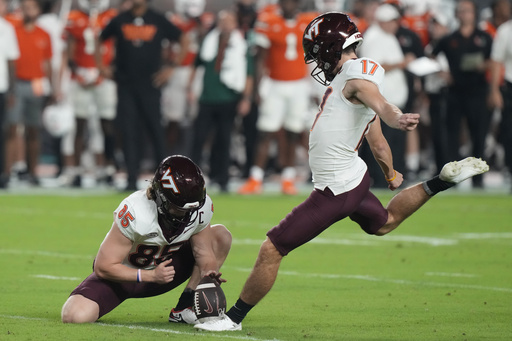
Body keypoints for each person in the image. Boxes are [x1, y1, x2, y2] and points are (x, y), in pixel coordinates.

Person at [194, 12, 489, 332]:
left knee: (272, 248)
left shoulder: (355, 79)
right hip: (355, 178)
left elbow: (381, 107)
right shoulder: (353, 76)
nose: (315, 59)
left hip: (335, 189)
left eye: (317, 50)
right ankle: (440, 181)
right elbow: (375, 140)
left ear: (330, 49)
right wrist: (390, 173)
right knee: (384, 224)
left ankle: (232, 319)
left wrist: (397, 118)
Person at [61, 155, 232, 324]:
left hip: (166, 271)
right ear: (161, 198)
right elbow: (103, 266)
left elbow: (204, 253)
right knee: (74, 316)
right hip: (123, 279)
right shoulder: (136, 212)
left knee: (220, 236)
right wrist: (150, 275)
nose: (188, 214)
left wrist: (209, 272)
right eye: (179, 208)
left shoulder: (197, 208)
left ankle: (185, 307)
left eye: (191, 208)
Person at [96, 0, 186, 191]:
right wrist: (102, 67)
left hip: (151, 84)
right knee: (128, 132)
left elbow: (184, 38)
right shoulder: (120, 19)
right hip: (126, 84)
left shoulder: (157, 19)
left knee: (156, 132)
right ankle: (130, 179)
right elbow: (99, 39)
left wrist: (172, 67)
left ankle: (165, 181)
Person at [237, 0, 317, 195]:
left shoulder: (308, 22)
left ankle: (287, 178)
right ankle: (255, 178)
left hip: (299, 84)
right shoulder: (268, 21)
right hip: (274, 83)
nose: (290, 4)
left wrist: (315, 87)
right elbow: (260, 58)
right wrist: (257, 89)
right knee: (265, 132)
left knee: (293, 132)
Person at [431, 0, 493, 189]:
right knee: (452, 135)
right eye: (461, 11)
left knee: (479, 134)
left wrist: (485, 66)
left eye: (467, 11)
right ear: (457, 15)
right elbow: (431, 56)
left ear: (474, 14)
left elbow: (496, 59)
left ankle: (478, 177)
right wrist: (442, 72)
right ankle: (452, 177)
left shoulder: (484, 37)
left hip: (478, 91)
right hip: (455, 92)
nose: (464, 14)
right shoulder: (449, 39)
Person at [189, 9, 252, 192]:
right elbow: (197, 64)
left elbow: (248, 74)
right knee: (199, 138)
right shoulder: (209, 42)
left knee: (224, 140)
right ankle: (191, 179)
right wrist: (190, 88)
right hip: (207, 97)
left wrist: (246, 98)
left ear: (235, 25)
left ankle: (222, 178)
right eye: (223, 21)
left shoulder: (241, 45)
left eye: (229, 21)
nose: (225, 25)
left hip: (228, 97)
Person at [63, 0, 117, 187]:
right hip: (81, 76)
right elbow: (69, 51)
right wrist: (78, 72)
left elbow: (116, 47)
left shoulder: (111, 16)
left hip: (105, 76)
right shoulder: (74, 18)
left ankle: (108, 168)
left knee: (107, 123)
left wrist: (106, 70)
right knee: (80, 124)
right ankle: (76, 170)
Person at [5, 0, 54, 186]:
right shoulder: (13, 29)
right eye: (25, 7)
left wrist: (53, 87)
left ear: (39, 11)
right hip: (17, 82)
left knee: (34, 130)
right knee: (12, 127)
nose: (28, 11)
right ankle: (7, 173)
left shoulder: (44, 34)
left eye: (32, 7)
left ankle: (32, 172)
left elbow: (48, 63)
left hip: (37, 84)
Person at [488, 14, 512, 192]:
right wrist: (495, 90)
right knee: (509, 131)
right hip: (510, 86)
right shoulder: (505, 30)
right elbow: (496, 61)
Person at [0, 0, 19, 188]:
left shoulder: (7, 28)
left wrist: (12, 90)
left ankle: (3, 173)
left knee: (2, 132)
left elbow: (11, 61)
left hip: (1, 86)